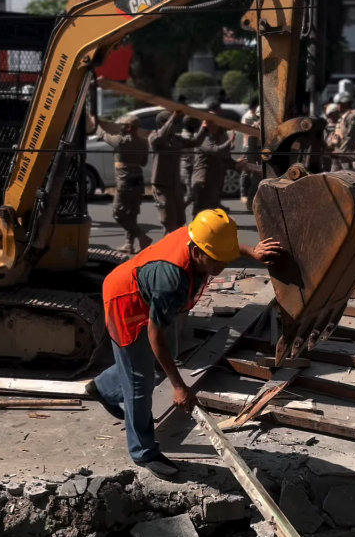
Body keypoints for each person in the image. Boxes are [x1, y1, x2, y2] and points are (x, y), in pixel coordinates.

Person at [86, 209, 282, 478]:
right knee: (140, 384)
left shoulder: (203, 237)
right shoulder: (171, 281)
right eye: (216, 261)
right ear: (197, 251)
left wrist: (252, 252)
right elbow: (155, 335)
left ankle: (103, 387)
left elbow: (225, 246)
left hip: (148, 294)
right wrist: (179, 386)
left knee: (159, 362)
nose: (221, 268)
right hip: (125, 302)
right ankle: (143, 452)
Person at [96, 114, 152, 254]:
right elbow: (143, 163)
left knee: (118, 213)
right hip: (138, 181)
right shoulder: (144, 142)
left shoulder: (120, 140)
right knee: (131, 214)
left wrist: (95, 124)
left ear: (128, 127)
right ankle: (129, 244)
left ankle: (141, 236)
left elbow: (103, 135)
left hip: (125, 182)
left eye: (122, 125)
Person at [149, 110, 204, 235]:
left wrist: (204, 129)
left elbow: (195, 142)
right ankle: (166, 251)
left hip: (175, 185)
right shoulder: (155, 137)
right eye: (173, 122)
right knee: (168, 221)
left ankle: (172, 247)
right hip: (162, 185)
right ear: (163, 123)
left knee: (179, 220)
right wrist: (172, 119)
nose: (176, 125)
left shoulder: (176, 139)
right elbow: (160, 137)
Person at [191, 99, 235, 216]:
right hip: (203, 181)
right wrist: (229, 142)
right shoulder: (203, 138)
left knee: (212, 213)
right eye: (215, 122)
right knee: (200, 214)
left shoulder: (219, 135)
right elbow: (215, 151)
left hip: (214, 181)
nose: (218, 124)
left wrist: (235, 163)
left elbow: (223, 156)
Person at [240, 96, 259, 204]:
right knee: (246, 170)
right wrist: (247, 147)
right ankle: (243, 193)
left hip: (255, 146)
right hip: (248, 146)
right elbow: (246, 132)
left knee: (255, 170)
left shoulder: (256, 116)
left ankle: (252, 196)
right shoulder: (247, 117)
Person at [180, 115, 200, 207]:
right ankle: (179, 210)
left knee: (195, 195)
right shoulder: (184, 137)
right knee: (190, 195)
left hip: (192, 167)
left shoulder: (191, 136)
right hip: (186, 167)